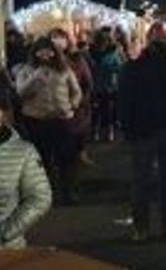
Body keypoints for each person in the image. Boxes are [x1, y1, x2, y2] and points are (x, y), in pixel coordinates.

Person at [119, 23, 166, 241]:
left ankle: (142, 228)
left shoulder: (132, 68)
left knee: (141, 180)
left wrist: (127, 128)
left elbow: (124, 102)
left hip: (142, 129)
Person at [15, 36, 82, 204]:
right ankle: (49, 193)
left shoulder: (64, 70)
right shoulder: (26, 71)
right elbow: (20, 93)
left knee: (66, 157)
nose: (45, 54)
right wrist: (36, 76)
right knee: (43, 158)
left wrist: (72, 105)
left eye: (48, 50)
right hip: (37, 120)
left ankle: (69, 191)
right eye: (40, 50)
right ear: (35, 53)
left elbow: (76, 91)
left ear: (54, 52)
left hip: (61, 119)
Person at [0, 90, 52, 249]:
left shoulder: (24, 152)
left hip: (6, 252)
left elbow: (39, 198)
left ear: (3, 114)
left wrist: (5, 232)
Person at [53, 29, 95, 171]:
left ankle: (80, 155)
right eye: (54, 38)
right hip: (56, 105)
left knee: (79, 131)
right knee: (61, 135)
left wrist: (82, 99)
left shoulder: (77, 58)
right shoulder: (47, 60)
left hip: (77, 103)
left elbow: (88, 81)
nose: (58, 41)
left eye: (61, 38)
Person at [90, 29, 125, 142]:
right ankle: (96, 131)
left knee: (109, 110)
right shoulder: (89, 53)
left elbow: (120, 68)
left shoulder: (113, 53)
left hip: (109, 86)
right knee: (96, 111)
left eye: (106, 40)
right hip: (94, 87)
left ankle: (109, 131)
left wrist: (114, 72)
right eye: (102, 40)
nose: (104, 42)